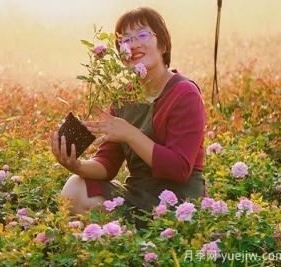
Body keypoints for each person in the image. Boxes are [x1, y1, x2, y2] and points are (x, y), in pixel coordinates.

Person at [51, 6, 206, 220]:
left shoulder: (184, 94)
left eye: (142, 34)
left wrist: (130, 134)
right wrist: (76, 165)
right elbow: (107, 163)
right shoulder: (124, 98)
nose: (133, 44)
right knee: (74, 189)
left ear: (162, 44)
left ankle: (133, 236)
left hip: (180, 202)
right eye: (125, 40)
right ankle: (128, 237)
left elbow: (179, 169)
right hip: (139, 196)